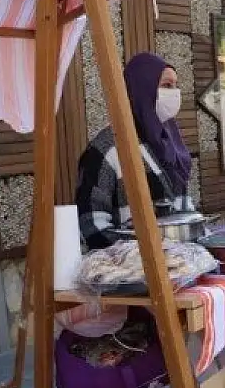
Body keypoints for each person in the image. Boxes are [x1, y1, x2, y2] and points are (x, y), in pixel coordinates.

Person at [75, 52, 193, 249]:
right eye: (166, 86)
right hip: (133, 271)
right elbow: (91, 225)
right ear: (142, 89)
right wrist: (143, 253)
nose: (174, 93)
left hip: (182, 265)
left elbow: (184, 209)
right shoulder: (108, 149)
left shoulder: (171, 142)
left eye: (175, 85)